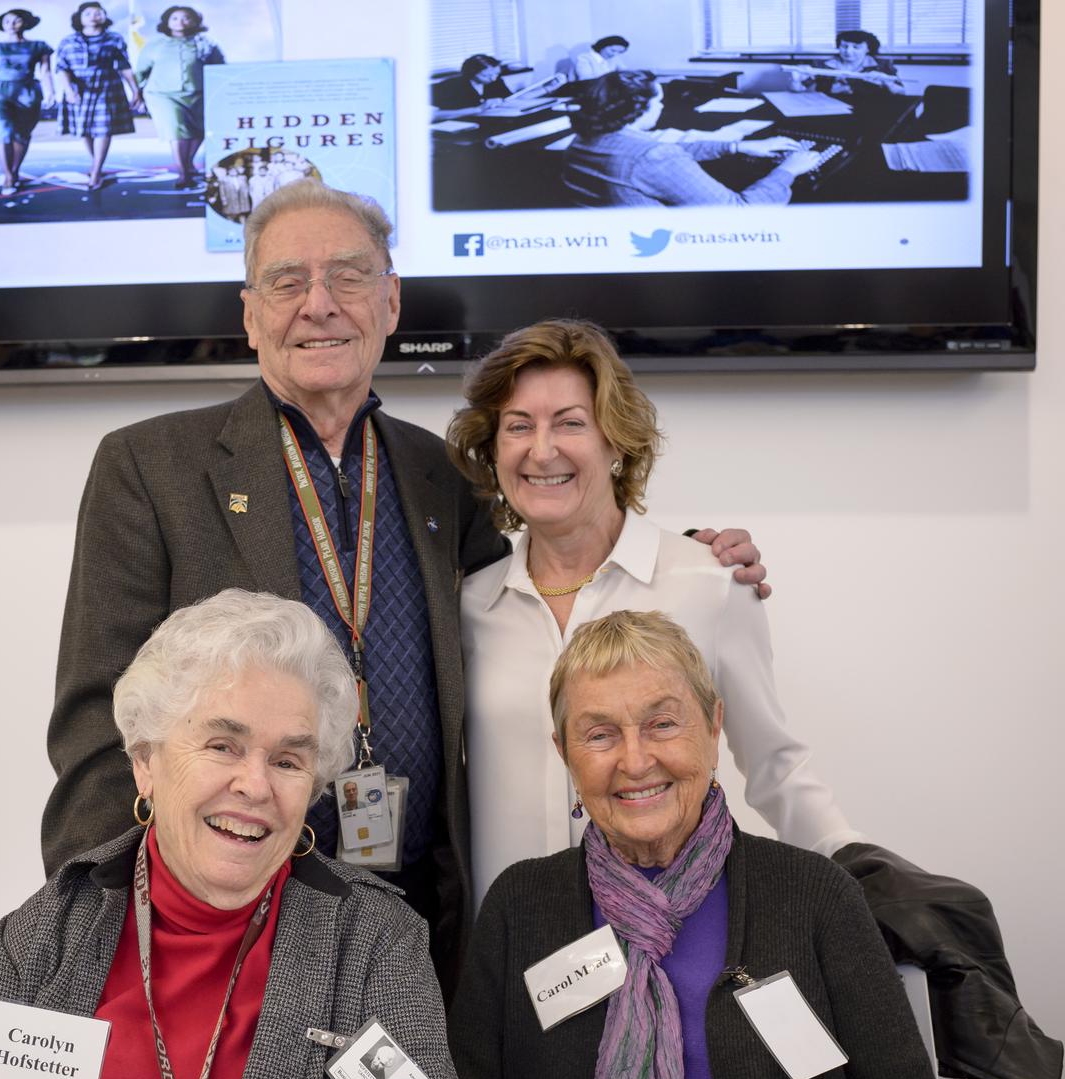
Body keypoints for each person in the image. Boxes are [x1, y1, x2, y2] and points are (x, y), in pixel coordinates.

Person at [44, 183, 762, 992]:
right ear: (250, 314)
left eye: (349, 277)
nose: (319, 305)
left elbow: (546, 583)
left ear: (390, 302)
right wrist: (103, 924)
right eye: (287, 282)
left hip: (423, 918)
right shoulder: (149, 469)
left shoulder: (438, 474)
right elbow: (96, 724)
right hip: (230, 911)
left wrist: (682, 555)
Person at [0, 591, 491, 1079]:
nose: (254, 785)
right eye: (223, 745)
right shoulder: (50, 929)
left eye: (288, 760)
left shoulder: (368, 940)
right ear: (145, 764)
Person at [448, 609, 963, 1079]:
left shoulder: (814, 896)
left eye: (663, 724)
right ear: (565, 753)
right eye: (600, 734)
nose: (635, 761)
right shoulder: (520, 908)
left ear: (714, 728)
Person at [448, 320, 858, 905]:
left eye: (570, 422)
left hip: (678, 935)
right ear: (493, 451)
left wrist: (861, 872)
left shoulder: (710, 584)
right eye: (518, 427)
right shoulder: (467, 608)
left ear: (615, 441)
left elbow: (775, 765)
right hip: (514, 946)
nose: (542, 451)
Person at [564, 71, 825, 207]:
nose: (662, 107)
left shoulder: (583, 139)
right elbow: (741, 215)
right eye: (660, 101)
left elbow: (662, 151)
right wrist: (787, 170)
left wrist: (736, 146)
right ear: (639, 107)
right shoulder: (653, 157)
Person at [135, 6, 225, 189]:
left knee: (199, 131)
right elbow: (141, 71)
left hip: (200, 93)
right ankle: (183, 173)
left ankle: (188, 162)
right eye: (175, 18)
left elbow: (220, 67)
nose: (180, 22)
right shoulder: (155, 44)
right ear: (167, 22)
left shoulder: (206, 42)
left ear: (195, 21)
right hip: (163, 95)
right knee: (177, 132)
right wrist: (138, 93)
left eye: (186, 18)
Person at [55, 2, 141, 190]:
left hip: (107, 88)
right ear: (79, 18)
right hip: (79, 90)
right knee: (84, 129)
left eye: (98, 13)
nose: (93, 16)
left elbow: (124, 66)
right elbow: (62, 68)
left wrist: (135, 90)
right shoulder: (68, 41)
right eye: (88, 13)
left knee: (103, 129)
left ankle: (95, 171)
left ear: (104, 16)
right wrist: (69, 90)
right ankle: (96, 163)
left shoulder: (114, 39)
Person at [0, 10, 54, 195]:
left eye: (16, 20)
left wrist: (50, 90)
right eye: (7, 21)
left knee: (22, 135)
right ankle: (8, 177)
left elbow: (46, 72)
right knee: (4, 132)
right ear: (2, 24)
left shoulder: (39, 46)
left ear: (25, 23)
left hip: (28, 93)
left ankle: (15, 171)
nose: (11, 24)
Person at [790, 30, 906, 100]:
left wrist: (887, 82)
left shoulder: (882, 66)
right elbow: (798, 90)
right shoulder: (822, 65)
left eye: (856, 47)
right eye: (844, 46)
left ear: (868, 49)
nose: (848, 51)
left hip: (871, 114)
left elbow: (901, 94)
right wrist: (796, 79)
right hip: (831, 112)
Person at [432, 55, 512, 113]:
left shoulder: (496, 81)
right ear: (471, 73)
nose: (493, 78)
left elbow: (508, 98)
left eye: (496, 73)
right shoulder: (451, 86)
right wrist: (479, 109)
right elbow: (435, 115)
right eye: (485, 75)